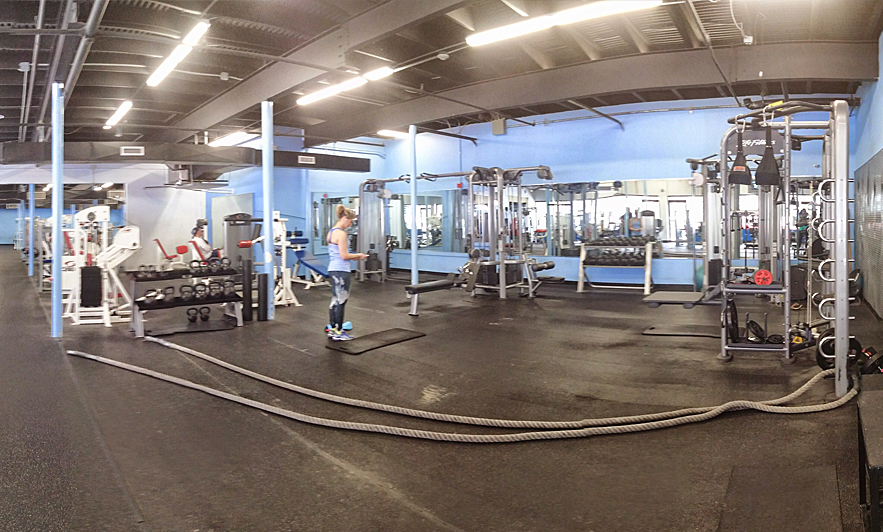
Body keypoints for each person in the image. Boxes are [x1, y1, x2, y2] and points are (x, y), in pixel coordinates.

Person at [327, 205, 367, 341]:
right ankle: (338, 332)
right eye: (350, 221)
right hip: (341, 270)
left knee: (335, 299)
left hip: (333, 269)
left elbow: (339, 254)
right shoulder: (341, 234)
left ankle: (333, 329)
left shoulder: (331, 232)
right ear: (344, 218)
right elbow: (344, 255)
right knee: (341, 300)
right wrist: (358, 255)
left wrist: (353, 256)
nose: (350, 224)